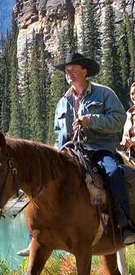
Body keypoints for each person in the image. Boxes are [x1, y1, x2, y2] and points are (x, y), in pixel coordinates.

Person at [54, 51, 135, 245]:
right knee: (48, 178)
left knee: (113, 172)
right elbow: (58, 131)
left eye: (73, 69)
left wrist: (91, 120)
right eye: (66, 70)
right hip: (70, 151)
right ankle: (39, 235)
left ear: (84, 70)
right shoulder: (63, 102)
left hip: (99, 149)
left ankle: (125, 226)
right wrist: (56, 151)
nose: (68, 73)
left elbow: (118, 120)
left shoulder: (104, 93)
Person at [121, 82, 135, 157]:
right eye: (132, 93)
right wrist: (124, 142)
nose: (134, 96)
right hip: (130, 157)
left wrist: (133, 142)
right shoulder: (128, 114)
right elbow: (125, 136)